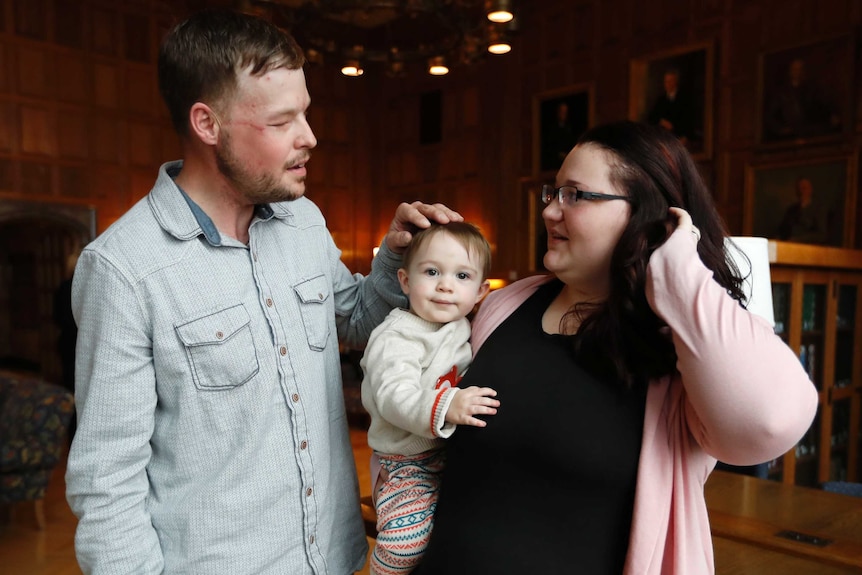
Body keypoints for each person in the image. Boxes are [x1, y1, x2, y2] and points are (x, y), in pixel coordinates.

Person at [64, 8, 461, 575]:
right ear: (208, 124)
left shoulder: (303, 222)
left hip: (334, 558)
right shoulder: (123, 269)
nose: (310, 137)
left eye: (305, 113)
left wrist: (396, 261)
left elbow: (351, 322)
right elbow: (107, 481)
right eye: (282, 122)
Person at [411, 120, 818, 574]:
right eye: (554, 192)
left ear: (645, 213)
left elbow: (770, 424)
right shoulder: (505, 305)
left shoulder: (678, 343)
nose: (549, 211)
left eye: (576, 195)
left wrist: (678, 267)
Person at [360, 222, 496, 575]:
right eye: (432, 272)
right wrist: (448, 404)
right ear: (405, 281)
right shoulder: (396, 336)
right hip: (405, 460)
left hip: (446, 454)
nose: (445, 285)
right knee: (405, 545)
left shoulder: (461, 325)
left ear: (481, 291)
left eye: (462, 276)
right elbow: (394, 395)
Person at [765, 57, 839, 141]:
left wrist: (832, 116)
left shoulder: (812, 89)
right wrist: (780, 129)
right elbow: (771, 116)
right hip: (791, 135)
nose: (798, 72)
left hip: (811, 133)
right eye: (795, 69)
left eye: (800, 69)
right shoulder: (782, 93)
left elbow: (823, 106)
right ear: (790, 72)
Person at [52, 247, 80, 438]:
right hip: (75, 344)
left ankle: (73, 437)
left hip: (68, 344)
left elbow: (57, 317)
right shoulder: (79, 287)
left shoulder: (63, 287)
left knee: (72, 391)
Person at [647, 68, 695, 146]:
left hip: (680, 137)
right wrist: (662, 121)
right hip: (665, 138)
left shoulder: (684, 98)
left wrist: (684, 136)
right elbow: (652, 117)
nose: (667, 84)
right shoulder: (661, 100)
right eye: (666, 81)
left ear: (675, 82)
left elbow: (689, 120)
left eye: (670, 81)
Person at [777, 176, 828, 244]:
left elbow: (821, 235)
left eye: (804, 188)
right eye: (799, 189)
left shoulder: (818, 209)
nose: (801, 191)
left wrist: (798, 239)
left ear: (810, 189)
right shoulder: (791, 210)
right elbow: (783, 230)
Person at [542, 101, 580, 172]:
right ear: (558, 112)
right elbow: (549, 146)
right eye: (562, 112)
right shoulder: (552, 128)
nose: (563, 114)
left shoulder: (570, 128)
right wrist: (558, 154)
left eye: (565, 112)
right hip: (554, 163)